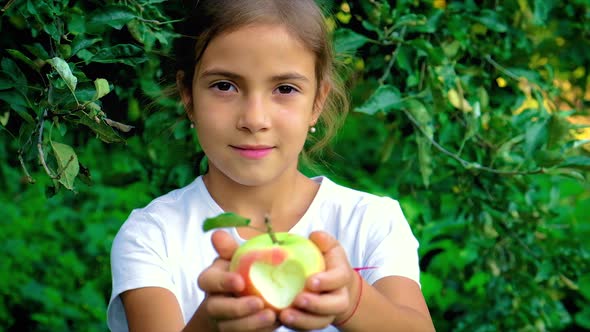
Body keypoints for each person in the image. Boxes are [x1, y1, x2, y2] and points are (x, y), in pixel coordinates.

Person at [107, 0, 435, 331]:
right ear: (188, 96)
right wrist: (211, 323)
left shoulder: (369, 223)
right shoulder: (153, 236)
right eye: (224, 86)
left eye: (285, 89)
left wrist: (352, 299)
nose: (254, 119)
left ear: (317, 102)